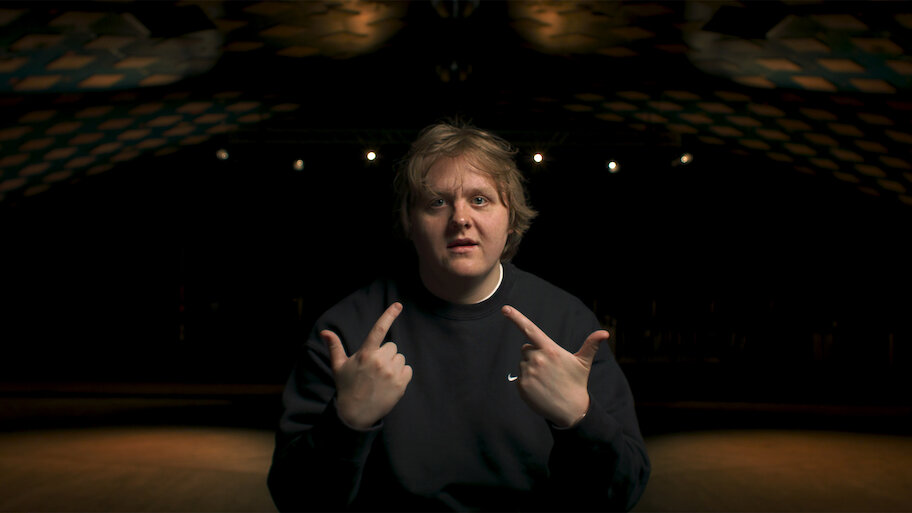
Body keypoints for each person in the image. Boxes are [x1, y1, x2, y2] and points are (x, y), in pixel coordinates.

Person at [267, 121, 650, 512]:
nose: (460, 218)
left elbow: (623, 492)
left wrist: (580, 419)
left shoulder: (567, 323)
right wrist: (346, 422)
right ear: (409, 220)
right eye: (437, 202)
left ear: (511, 218)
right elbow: (295, 499)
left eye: (480, 199)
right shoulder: (347, 331)